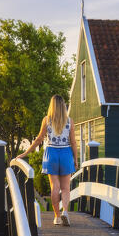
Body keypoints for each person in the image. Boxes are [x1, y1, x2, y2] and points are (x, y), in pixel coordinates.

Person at [17, 95, 77, 226]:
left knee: (55, 187)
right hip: (66, 153)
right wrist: (76, 159)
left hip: (52, 154)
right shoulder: (69, 121)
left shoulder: (46, 120)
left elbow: (39, 139)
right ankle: (65, 211)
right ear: (63, 106)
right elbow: (73, 142)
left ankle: (57, 217)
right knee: (66, 188)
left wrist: (25, 153)